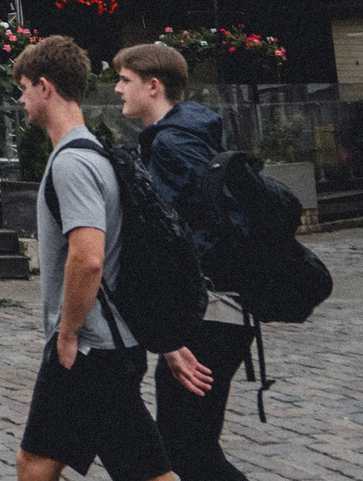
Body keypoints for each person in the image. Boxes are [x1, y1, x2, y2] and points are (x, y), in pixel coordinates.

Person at [14, 34, 198, 481]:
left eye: (22, 89)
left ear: (45, 86)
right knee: (136, 468)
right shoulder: (95, 154)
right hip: (112, 344)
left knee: (37, 464)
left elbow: (89, 258)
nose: (20, 101)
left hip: (90, 347)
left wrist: (67, 332)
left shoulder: (71, 164)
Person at [114, 43, 250, 481]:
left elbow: (178, 236)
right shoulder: (188, 134)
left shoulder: (173, 144)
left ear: (153, 86)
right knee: (187, 447)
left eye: (125, 80)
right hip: (221, 308)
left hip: (207, 312)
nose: (117, 89)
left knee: (188, 451)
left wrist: (174, 319)